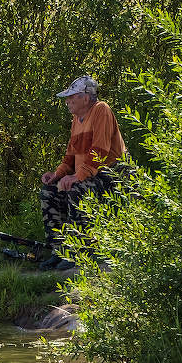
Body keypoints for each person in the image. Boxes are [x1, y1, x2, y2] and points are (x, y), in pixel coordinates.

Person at [38, 75, 126, 270]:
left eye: (72, 97)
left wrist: (76, 177)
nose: (67, 101)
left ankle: (80, 252)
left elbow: (100, 151)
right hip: (89, 174)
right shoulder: (76, 120)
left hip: (112, 175)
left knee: (77, 190)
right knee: (48, 192)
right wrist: (57, 175)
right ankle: (59, 250)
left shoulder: (101, 110)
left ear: (85, 98)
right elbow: (70, 156)